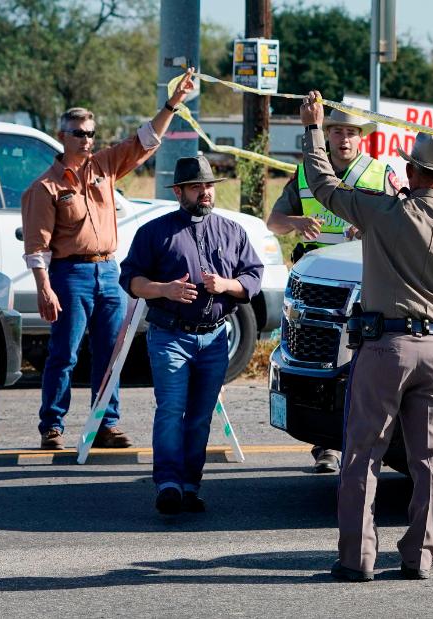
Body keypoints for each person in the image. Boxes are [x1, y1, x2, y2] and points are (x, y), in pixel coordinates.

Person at [298, 91, 433, 582]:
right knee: (431, 458)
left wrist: (312, 129)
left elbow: (324, 186)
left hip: (384, 348)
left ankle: (356, 559)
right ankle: (419, 557)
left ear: (410, 172)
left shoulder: (382, 212)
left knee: (363, 454)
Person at [23, 68, 197, 450]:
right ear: (62, 136)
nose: (86, 141)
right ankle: (52, 425)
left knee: (112, 352)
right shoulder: (46, 187)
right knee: (64, 353)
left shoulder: (103, 166)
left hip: (109, 269)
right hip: (70, 273)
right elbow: (38, 246)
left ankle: (105, 423)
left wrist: (174, 102)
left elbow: (145, 139)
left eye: (90, 134)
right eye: (78, 134)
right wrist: (44, 289)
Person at [120, 155, 263, 515]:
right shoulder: (154, 232)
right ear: (179, 191)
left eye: (209, 186)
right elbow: (131, 280)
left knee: (200, 416)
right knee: (171, 410)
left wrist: (227, 284)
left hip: (215, 338)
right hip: (170, 336)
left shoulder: (233, 232)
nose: (205, 192)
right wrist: (164, 289)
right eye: (197, 186)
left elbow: (253, 279)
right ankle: (168, 484)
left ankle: (189, 485)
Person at [266, 108, 400, 474]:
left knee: (368, 367)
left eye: (351, 132)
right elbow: (273, 223)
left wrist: (371, 230)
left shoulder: (380, 174)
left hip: (366, 282)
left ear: (363, 138)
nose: (343, 139)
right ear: (326, 135)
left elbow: (403, 225)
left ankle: (371, 444)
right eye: (337, 130)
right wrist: (296, 222)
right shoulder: (306, 172)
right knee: (324, 368)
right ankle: (326, 445)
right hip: (318, 290)